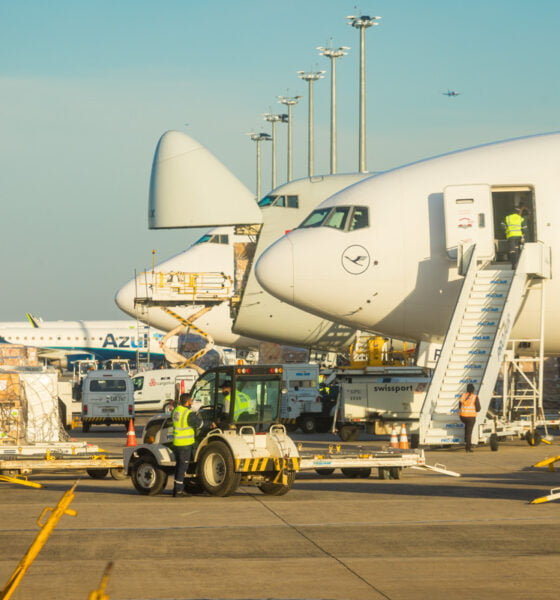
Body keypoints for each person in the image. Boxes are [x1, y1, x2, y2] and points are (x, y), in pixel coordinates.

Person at [171, 392, 202, 497]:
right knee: (182, 467)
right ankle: (178, 491)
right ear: (188, 401)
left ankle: (176, 488)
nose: (192, 402)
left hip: (176, 442)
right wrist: (209, 423)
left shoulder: (176, 411)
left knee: (179, 466)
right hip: (185, 444)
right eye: (191, 400)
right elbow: (199, 424)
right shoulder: (188, 413)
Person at [459, 383, 481, 452]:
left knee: (466, 428)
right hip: (471, 417)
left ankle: (466, 440)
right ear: (473, 390)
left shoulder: (462, 396)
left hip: (462, 416)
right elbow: (478, 409)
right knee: (469, 432)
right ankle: (468, 448)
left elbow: (459, 406)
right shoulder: (475, 397)